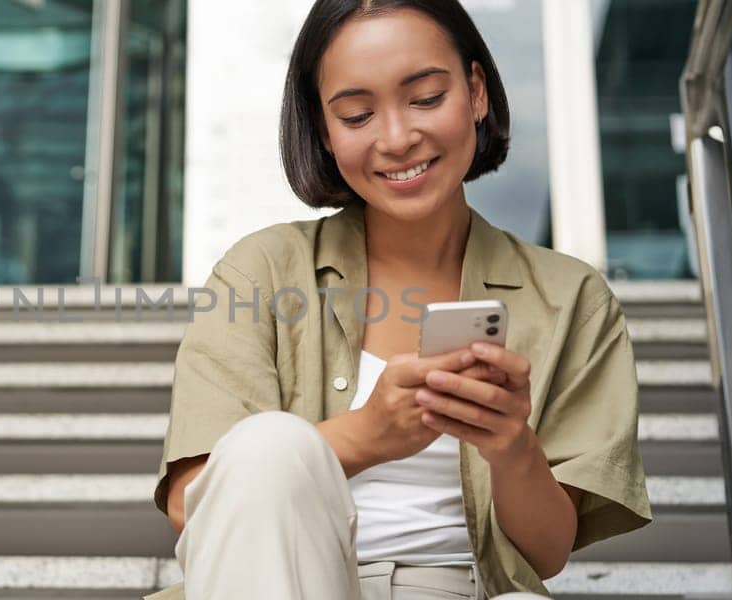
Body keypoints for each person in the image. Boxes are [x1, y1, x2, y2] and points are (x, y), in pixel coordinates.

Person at [148, 1, 652, 598]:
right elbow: (192, 506)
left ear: (477, 92)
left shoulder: (572, 300)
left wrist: (511, 445)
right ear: (323, 131)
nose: (396, 138)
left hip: (466, 588)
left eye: (426, 98)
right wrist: (371, 433)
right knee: (267, 443)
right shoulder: (260, 273)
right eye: (357, 115)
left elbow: (545, 553)